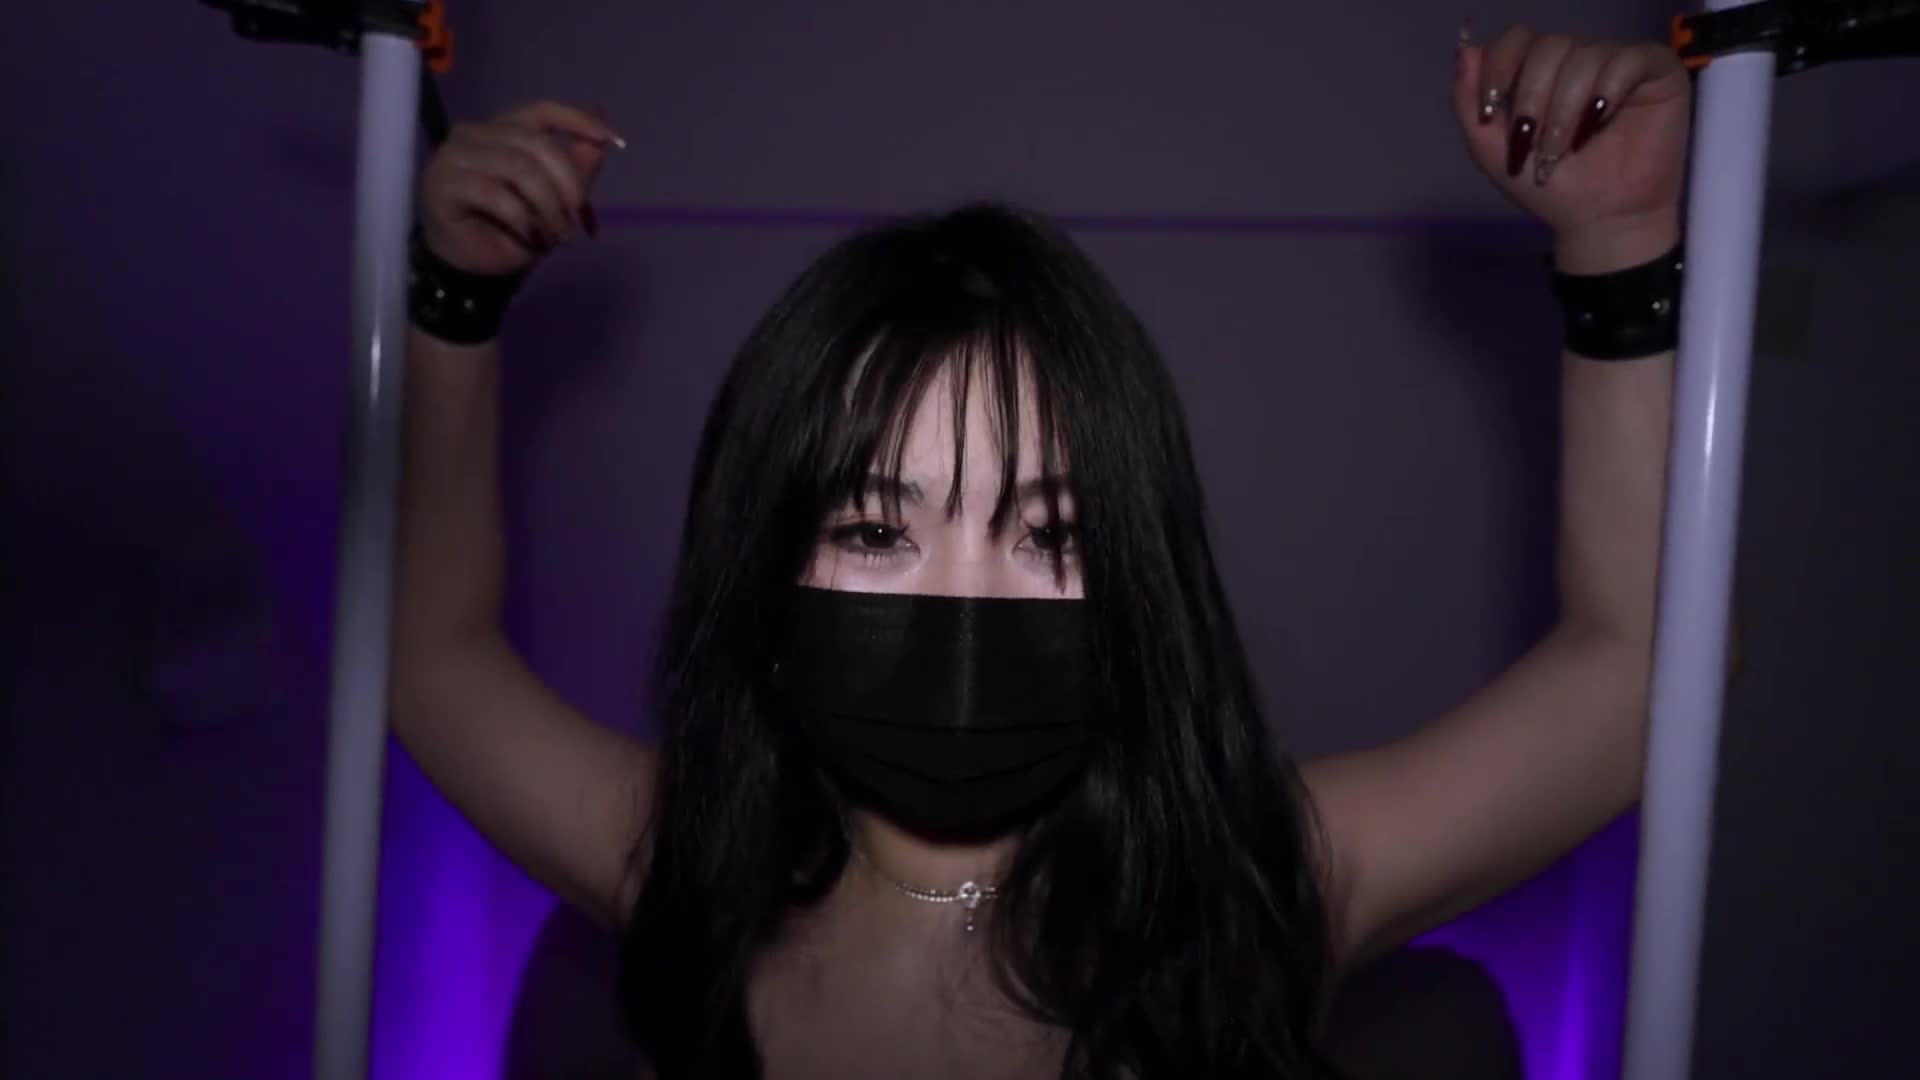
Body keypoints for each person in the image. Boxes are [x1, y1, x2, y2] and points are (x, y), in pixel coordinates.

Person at [389, 21, 1688, 1080]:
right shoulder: (694, 864)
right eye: (876, 529)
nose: (965, 606)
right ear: (765, 568)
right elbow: (428, 657)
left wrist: (1620, 241)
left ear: (1142, 579)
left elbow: (1643, 676)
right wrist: (454, 295)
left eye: (1051, 532)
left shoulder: (1247, 880)